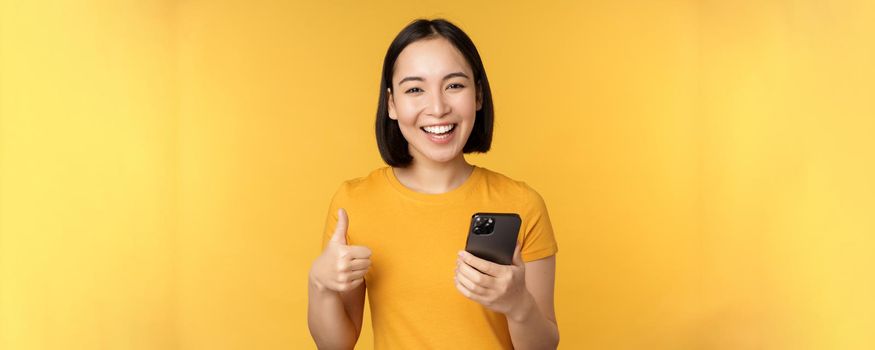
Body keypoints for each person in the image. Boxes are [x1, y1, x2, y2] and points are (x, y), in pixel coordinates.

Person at [307, 18, 559, 349]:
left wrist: (518, 305)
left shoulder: (522, 203)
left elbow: (544, 346)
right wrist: (319, 283)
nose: (438, 108)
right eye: (415, 89)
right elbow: (335, 345)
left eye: (454, 85)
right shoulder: (354, 202)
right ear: (392, 104)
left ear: (478, 95)